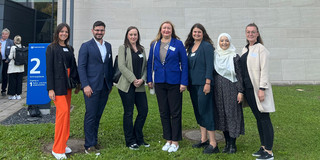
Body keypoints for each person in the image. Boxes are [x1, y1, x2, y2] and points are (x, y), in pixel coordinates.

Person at [147, 21, 188, 153]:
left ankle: (175, 141)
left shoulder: (178, 44)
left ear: (172, 30)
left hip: (175, 82)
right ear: (160, 30)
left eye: (168, 28)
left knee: (175, 112)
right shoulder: (154, 45)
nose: (166, 30)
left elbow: (185, 64)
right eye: (164, 28)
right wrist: (149, 79)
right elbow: (150, 63)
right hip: (159, 82)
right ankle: (168, 139)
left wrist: (184, 82)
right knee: (163, 112)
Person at [240, 23, 275, 160]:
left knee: (264, 119)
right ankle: (263, 147)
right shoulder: (245, 49)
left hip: (258, 90)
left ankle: (269, 151)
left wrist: (262, 88)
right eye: (248, 32)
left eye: (253, 32)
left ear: (257, 33)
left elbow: (264, 70)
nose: (250, 34)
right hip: (249, 91)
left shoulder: (261, 49)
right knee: (258, 119)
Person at [78, 21, 113, 155]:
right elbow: (81, 67)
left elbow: (109, 65)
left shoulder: (108, 46)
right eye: (97, 30)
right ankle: (89, 145)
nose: (99, 32)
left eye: (102, 30)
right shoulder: (86, 46)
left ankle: (94, 140)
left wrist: (110, 84)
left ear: (104, 31)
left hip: (104, 86)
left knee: (98, 115)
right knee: (91, 115)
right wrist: (85, 85)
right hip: (91, 87)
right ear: (92, 31)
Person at [46, 23, 80, 159]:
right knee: (63, 113)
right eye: (62, 31)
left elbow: (74, 66)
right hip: (57, 86)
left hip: (68, 85)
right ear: (57, 33)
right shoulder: (51, 48)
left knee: (66, 115)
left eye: (66, 32)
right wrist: (50, 88)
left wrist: (78, 83)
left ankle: (63, 143)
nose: (64, 34)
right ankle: (57, 148)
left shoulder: (69, 48)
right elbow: (49, 70)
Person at [184, 23, 218, 154]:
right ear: (191, 33)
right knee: (198, 111)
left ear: (203, 33)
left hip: (204, 85)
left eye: (199, 32)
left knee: (206, 111)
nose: (196, 34)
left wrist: (208, 82)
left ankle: (213, 143)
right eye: (194, 32)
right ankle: (203, 139)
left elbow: (210, 66)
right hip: (193, 85)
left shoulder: (206, 46)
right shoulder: (191, 47)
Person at [116, 26, 149, 150]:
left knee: (143, 111)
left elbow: (146, 66)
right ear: (127, 36)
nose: (133, 37)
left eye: (135, 34)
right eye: (131, 34)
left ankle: (139, 137)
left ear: (138, 36)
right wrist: (133, 79)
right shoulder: (123, 48)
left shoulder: (142, 49)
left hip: (139, 85)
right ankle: (130, 141)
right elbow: (121, 66)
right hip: (126, 85)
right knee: (128, 113)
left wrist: (142, 79)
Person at [213, 33, 245, 154]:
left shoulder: (234, 57)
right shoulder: (215, 56)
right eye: (222, 41)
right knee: (222, 116)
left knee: (232, 115)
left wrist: (240, 91)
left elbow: (239, 75)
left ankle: (233, 144)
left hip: (232, 89)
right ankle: (226, 143)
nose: (224, 43)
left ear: (230, 42)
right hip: (218, 91)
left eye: (226, 41)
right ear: (219, 42)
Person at [7, 35, 25, 100]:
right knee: (19, 81)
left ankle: (12, 94)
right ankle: (18, 94)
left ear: (14, 41)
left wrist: (7, 59)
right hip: (21, 67)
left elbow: (10, 57)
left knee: (12, 81)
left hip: (13, 67)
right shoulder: (23, 47)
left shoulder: (13, 47)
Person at [0, 28, 14, 96]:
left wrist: (8, 59)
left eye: (5, 34)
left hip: (6, 60)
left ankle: (3, 90)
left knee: (4, 75)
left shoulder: (10, 42)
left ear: (8, 35)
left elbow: (12, 51)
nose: (4, 35)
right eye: (3, 34)